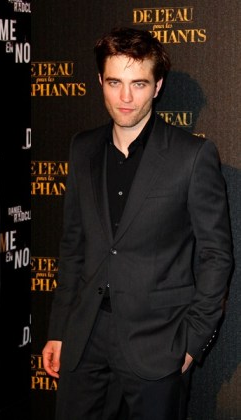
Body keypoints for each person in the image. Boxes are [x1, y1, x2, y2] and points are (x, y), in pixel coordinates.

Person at [42, 27, 233, 420]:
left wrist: (192, 343)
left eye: (138, 84)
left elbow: (216, 256)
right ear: (100, 81)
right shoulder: (83, 148)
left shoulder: (192, 156)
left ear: (157, 86)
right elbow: (73, 245)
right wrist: (59, 330)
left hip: (158, 341)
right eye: (115, 82)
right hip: (85, 337)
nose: (125, 97)